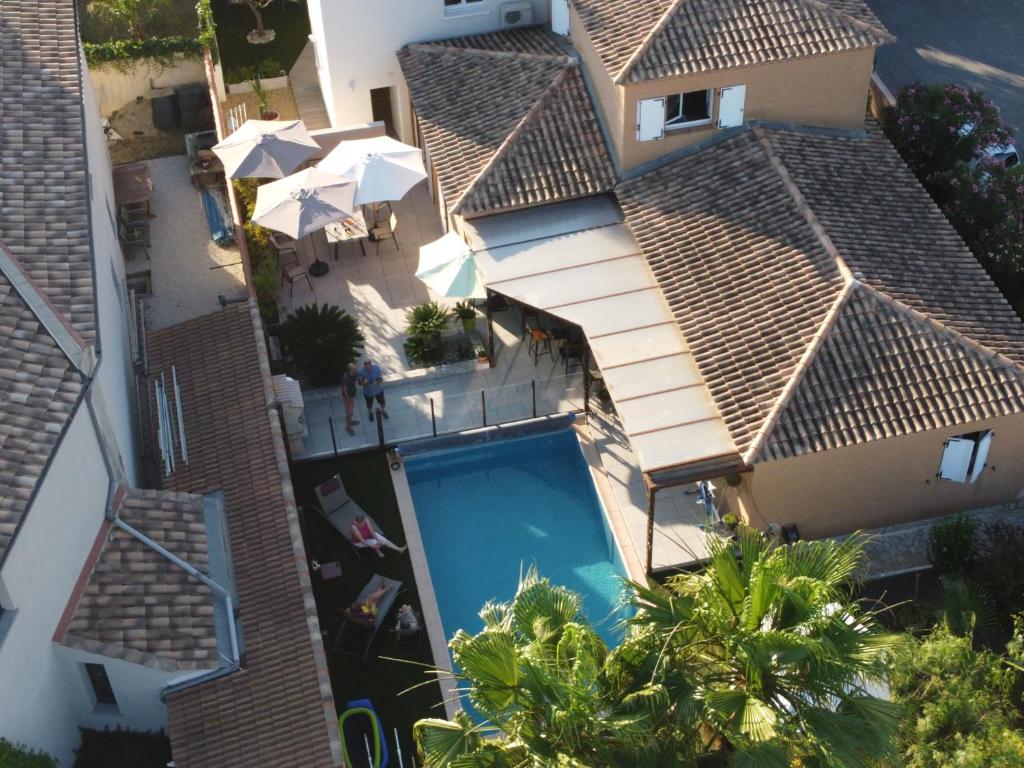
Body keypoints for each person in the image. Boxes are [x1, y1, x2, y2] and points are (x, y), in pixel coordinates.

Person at [340, 362, 361, 436]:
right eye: (354, 369)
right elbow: (344, 389)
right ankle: (348, 428)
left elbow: (358, 379)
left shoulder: (354, 374)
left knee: (351, 411)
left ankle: (351, 421)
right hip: (347, 397)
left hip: (352, 395)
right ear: (350, 370)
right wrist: (348, 399)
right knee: (348, 413)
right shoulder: (345, 377)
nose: (356, 370)